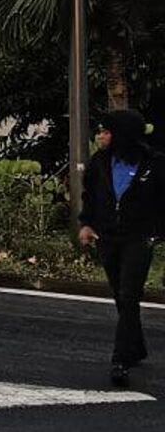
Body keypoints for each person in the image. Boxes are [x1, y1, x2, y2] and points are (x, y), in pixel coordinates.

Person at [80, 109, 162, 387]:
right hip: (107, 237)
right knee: (121, 295)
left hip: (139, 237)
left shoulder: (154, 164)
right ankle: (135, 346)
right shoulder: (99, 162)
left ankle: (120, 359)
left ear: (122, 135)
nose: (100, 136)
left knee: (129, 294)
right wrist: (86, 224)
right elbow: (89, 196)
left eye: (106, 131)